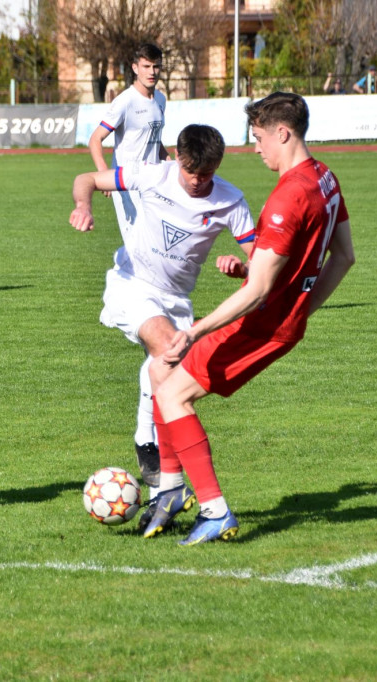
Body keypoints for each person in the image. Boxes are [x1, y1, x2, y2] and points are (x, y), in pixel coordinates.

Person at [142, 92, 355, 545]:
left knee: (171, 392)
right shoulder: (326, 179)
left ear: (283, 132)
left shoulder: (287, 196)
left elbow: (258, 292)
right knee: (161, 372)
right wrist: (293, 302)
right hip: (282, 322)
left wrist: (195, 329)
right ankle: (172, 489)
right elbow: (344, 257)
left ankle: (212, 508)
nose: (256, 148)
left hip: (261, 323)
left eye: (258, 138)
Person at [71, 124, 256, 525]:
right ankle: (148, 446)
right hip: (132, 283)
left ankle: (163, 491)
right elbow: (85, 178)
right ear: (176, 156)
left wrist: (242, 266)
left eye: (207, 173)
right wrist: (83, 206)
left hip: (177, 302)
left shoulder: (230, 201)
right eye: (192, 171)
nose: (198, 180)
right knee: (165, 349)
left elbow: (259, 260)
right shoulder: (152, 174)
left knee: (165, 371)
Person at [87, 43, 172, 497]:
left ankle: (148, 314)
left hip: (154, 187)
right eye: (145, 66)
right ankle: (134, 300)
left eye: (157, 66)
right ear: (133, 69)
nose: (152, 72)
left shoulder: (160, 99)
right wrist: (105, 179)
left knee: (156, 257)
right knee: (143, 258)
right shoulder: (124, 100)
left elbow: (156, 144)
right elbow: (95, 140)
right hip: (127, 190)